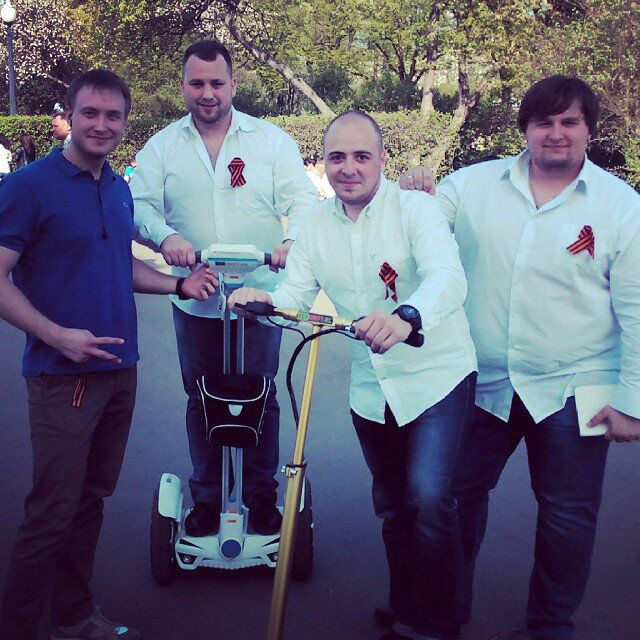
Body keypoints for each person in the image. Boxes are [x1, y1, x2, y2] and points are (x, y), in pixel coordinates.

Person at [400, 75, 640, 640]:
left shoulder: (622, 207)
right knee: (452, 501)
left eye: (569, 121)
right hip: (481, 382)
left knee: (567, 516)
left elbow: (636, 308)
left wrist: (632, 400)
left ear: (589, 129)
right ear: (525, 129)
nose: (556, 133)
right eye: (543, 122)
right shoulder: (470, 186)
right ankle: (441, 615)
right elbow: (415, 233)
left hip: (574, 385)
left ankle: (550, 624)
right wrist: (412, 192)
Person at [229, 110, 478, 640]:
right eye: (337, 157)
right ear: (324, 163)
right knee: (393, 505)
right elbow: (295, 293)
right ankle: (407, 609)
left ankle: (440, 622)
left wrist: (406, 316)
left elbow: (448, 278)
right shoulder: (315, 225)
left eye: (362, 156)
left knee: (430, 498)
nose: (349, 167)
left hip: (436, 377)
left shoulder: (415, 210)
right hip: (372, 386)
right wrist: (263, 300)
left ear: (382, 159)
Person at [0, 69, 216, 640]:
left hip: (120, 372)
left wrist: (179, 285)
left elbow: (121, 263)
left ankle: (73, 617)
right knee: (51, 512)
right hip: (62, 376)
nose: (101, 125)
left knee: (90, 501)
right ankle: (20, 628)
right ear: (68, 117)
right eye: (89, 113)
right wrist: (55, 335)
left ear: (124, 122)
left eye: (112, 115)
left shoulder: (117, 187)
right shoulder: (27, 186)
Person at [130, 39, 318, 537]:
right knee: (201, 396)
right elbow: (139, 204)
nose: (207, 93)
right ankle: (208, 498)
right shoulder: (163, 146)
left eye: (217, 82)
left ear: (233, 84)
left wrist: (291, 240)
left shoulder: (270, 141)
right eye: (197, 83)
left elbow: (301, 198)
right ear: (183, 87)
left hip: (258, 294)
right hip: (197, 295)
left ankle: (260, 497)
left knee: (260, 394)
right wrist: (165, 237)